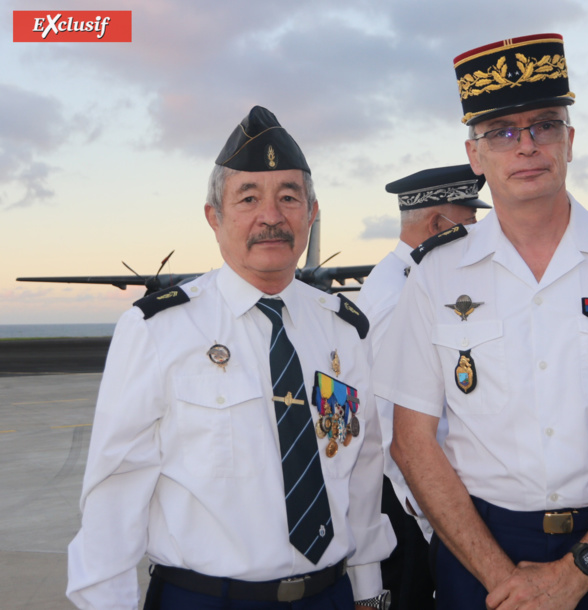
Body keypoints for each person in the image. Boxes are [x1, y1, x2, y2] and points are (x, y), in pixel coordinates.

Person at [373, 33, 588, 610]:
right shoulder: (435, 276)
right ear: (475, 156)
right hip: (479, 555)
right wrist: (501, 577)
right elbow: (411, 444)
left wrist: (580, 570)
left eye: (544, 125)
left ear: (570, 141)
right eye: (502, 132)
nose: (526, 145)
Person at [67, 106, 395, 610]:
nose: (271, 216)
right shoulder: (158, 329)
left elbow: (363, 467)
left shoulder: (344, 330)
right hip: (204, 598)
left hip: (328, 594)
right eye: (248, 198)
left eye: (289, 197)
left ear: (311, 213)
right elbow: (115, 490)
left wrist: (368, 591)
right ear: (213, 216)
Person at [357, 165, 490, 609]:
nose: (477, 234)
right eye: (469, 223)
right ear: (438, 225)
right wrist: (435, 518)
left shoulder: (408, 280)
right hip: (412, 503)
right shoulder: (399, 295)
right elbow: (392, 419)